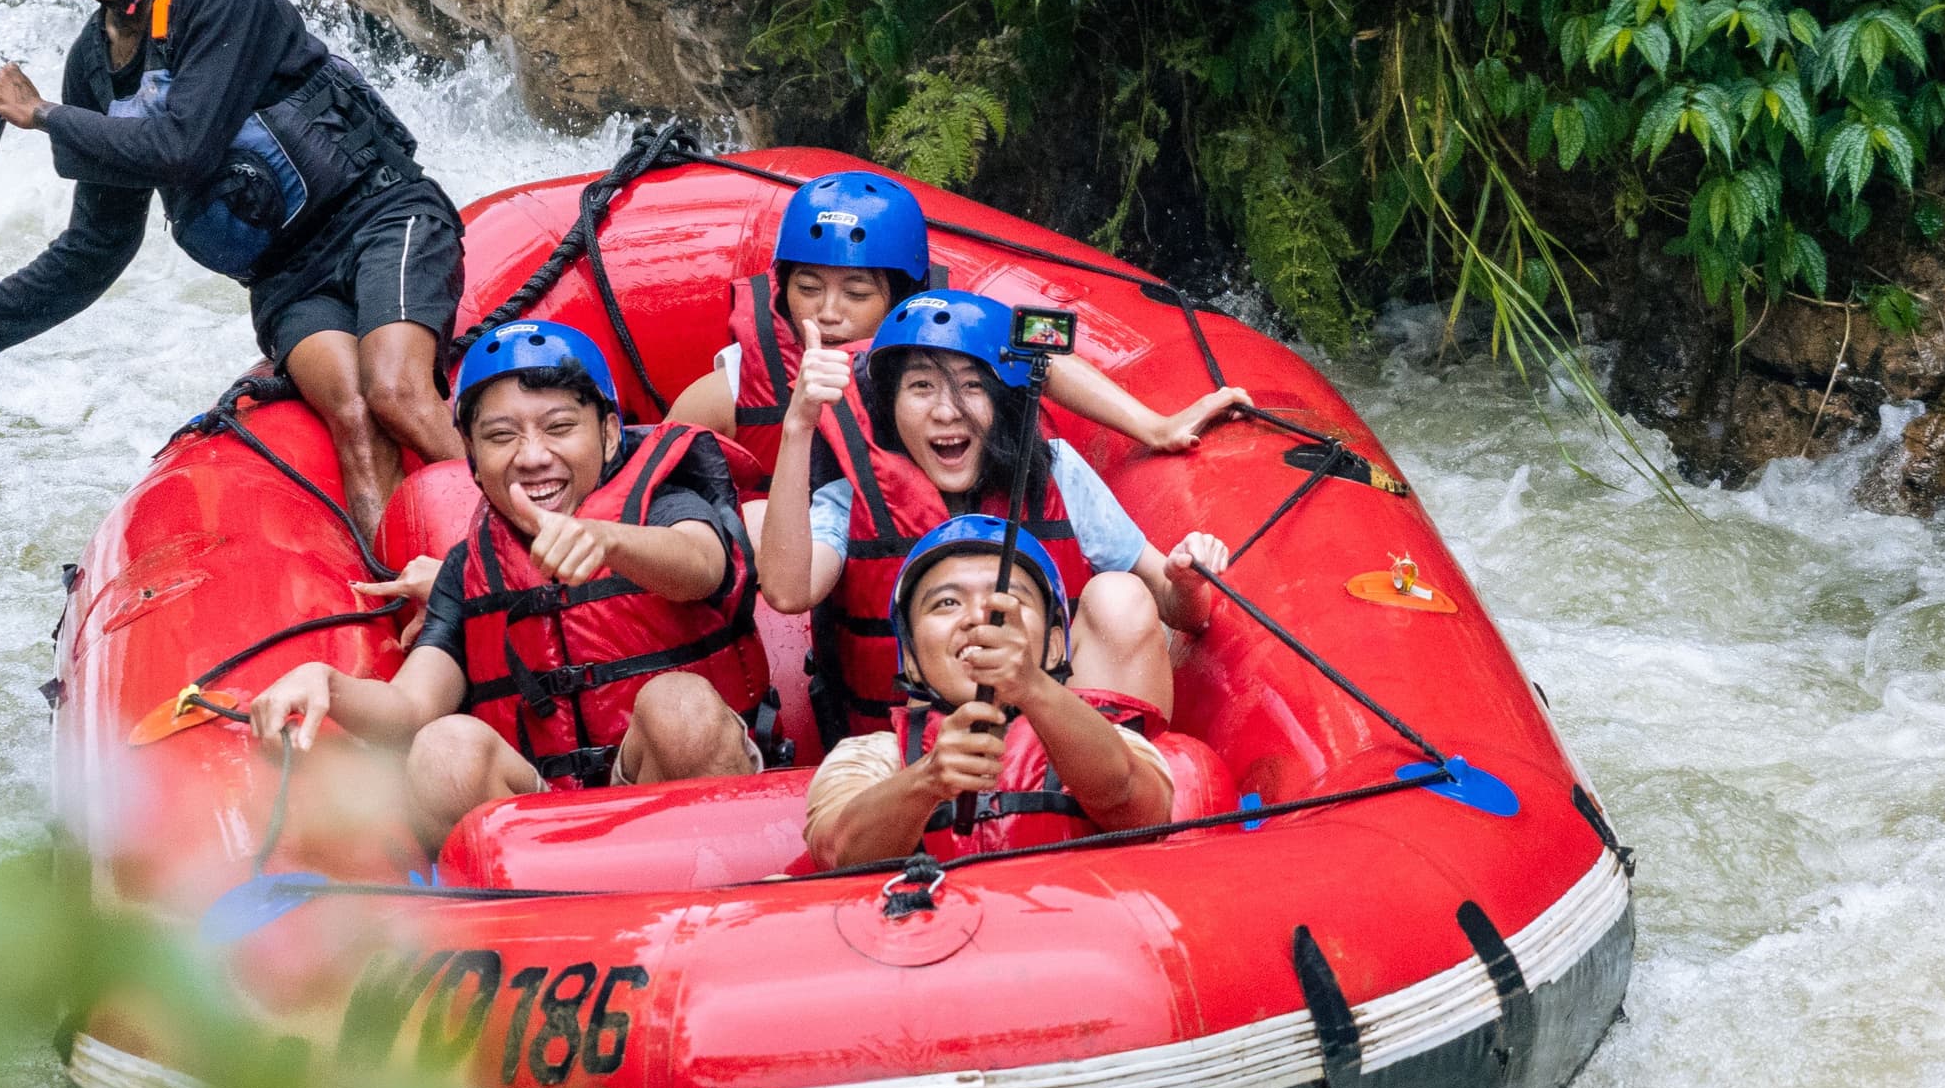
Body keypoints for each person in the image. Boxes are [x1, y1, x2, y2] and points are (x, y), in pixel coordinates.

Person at [0, 0, 466, 535]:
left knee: (394, 393)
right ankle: (405, 580)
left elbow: (185, 147)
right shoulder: (91, 68)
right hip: (289, 279)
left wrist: (40, 115)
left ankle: (537, 552)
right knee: (352, 415)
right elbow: (99, 245)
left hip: (380, 218)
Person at [244, 320, 763, 856]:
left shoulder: (668, 506)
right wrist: (330, 684)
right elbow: (412, 707)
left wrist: (609, 539)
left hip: (674, 801)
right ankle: (538, 899)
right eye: (500, 436)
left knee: (678, 706)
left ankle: (731, 890)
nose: (532, 456)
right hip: (542, 828)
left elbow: (702, 565)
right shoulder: (468, 569)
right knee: (444, 746)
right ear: (470, 454)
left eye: (560, 428)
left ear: (609, 434)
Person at [758, 285, 1231, 740]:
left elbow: (1180, 611)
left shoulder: (1057, 471)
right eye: (921, 387)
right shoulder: (852, 497)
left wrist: (1187, 582)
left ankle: (1104, 778)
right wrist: (798, 426)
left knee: (1120, 594)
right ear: (891, 406)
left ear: (1002, 401)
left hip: (1055, 751)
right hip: (909, 757)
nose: (947, 412)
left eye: (971, 386)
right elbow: (787, 592)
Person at [664, 170, 1250, 494]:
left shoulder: (942, 334)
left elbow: (1042, 356)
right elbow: (657, 464)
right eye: (808, 288)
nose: (828, 313)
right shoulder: (740, 379)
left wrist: (1155, 427)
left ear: (901, 297)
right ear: (783, 288)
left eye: (857, 293)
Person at [800, 518, 1192, 869]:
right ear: (911, 660)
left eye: (1011, 600)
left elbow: (1142, 813)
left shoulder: (1106, 739)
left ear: (1055, 648)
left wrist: (1032, 686)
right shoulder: (872, 757)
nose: (978, 618)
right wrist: (927, 780)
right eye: (947, 603)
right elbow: (837, 853)